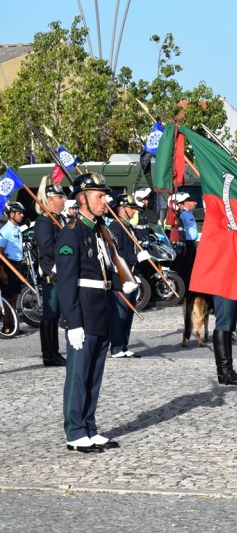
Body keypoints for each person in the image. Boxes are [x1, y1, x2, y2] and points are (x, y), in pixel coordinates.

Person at [56, 172, 138, 453]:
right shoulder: (72, 231)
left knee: (94, 374)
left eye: (105, 195)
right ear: (82, 199)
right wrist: (73, 321)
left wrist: (123, 283)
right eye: (99, 196)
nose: (106, 201)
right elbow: (66, 282)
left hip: (101, 307)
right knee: (79, 373)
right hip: (83, 310)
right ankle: (75, 431)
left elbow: (102, 270)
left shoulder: (98, 229)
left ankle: (89, 426)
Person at [108, 193, 150, 358]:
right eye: (131, 208)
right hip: (121, 276)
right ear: (122, 208)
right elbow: (117, 253)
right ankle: (117, 347)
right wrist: (135, 258)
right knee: (121, 312)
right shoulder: (116, 227)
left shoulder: (127, 225)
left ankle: (123, 345)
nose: (134, 212)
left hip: (131, 273)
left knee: (129, 312)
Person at [34, 177, 68, 366]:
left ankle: (54, 351)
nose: (63, 200)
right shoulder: (44, 222)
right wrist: (69, 253)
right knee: (50, 313)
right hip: (51, 272)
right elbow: (48, 248)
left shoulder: (59, 219)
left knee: (55, 315)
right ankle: (48, 354)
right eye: (59, 197)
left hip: (61, 271)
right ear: (49, 200)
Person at [212, 296, 237, 385]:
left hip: (235, 284)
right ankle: (224, 372)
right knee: (224, 323)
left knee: (230, 324)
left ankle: (228, 370)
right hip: (224, 285)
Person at [0, 201, 26, 335]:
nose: (22, 215)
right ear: (12, 214)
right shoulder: (5, 230)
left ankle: (13, 323)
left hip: (18, 265)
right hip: (8, 265)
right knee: (7, 296)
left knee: (14, 297)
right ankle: (6, 325)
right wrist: (2, 271)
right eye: (19, 213)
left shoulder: (17, 229)